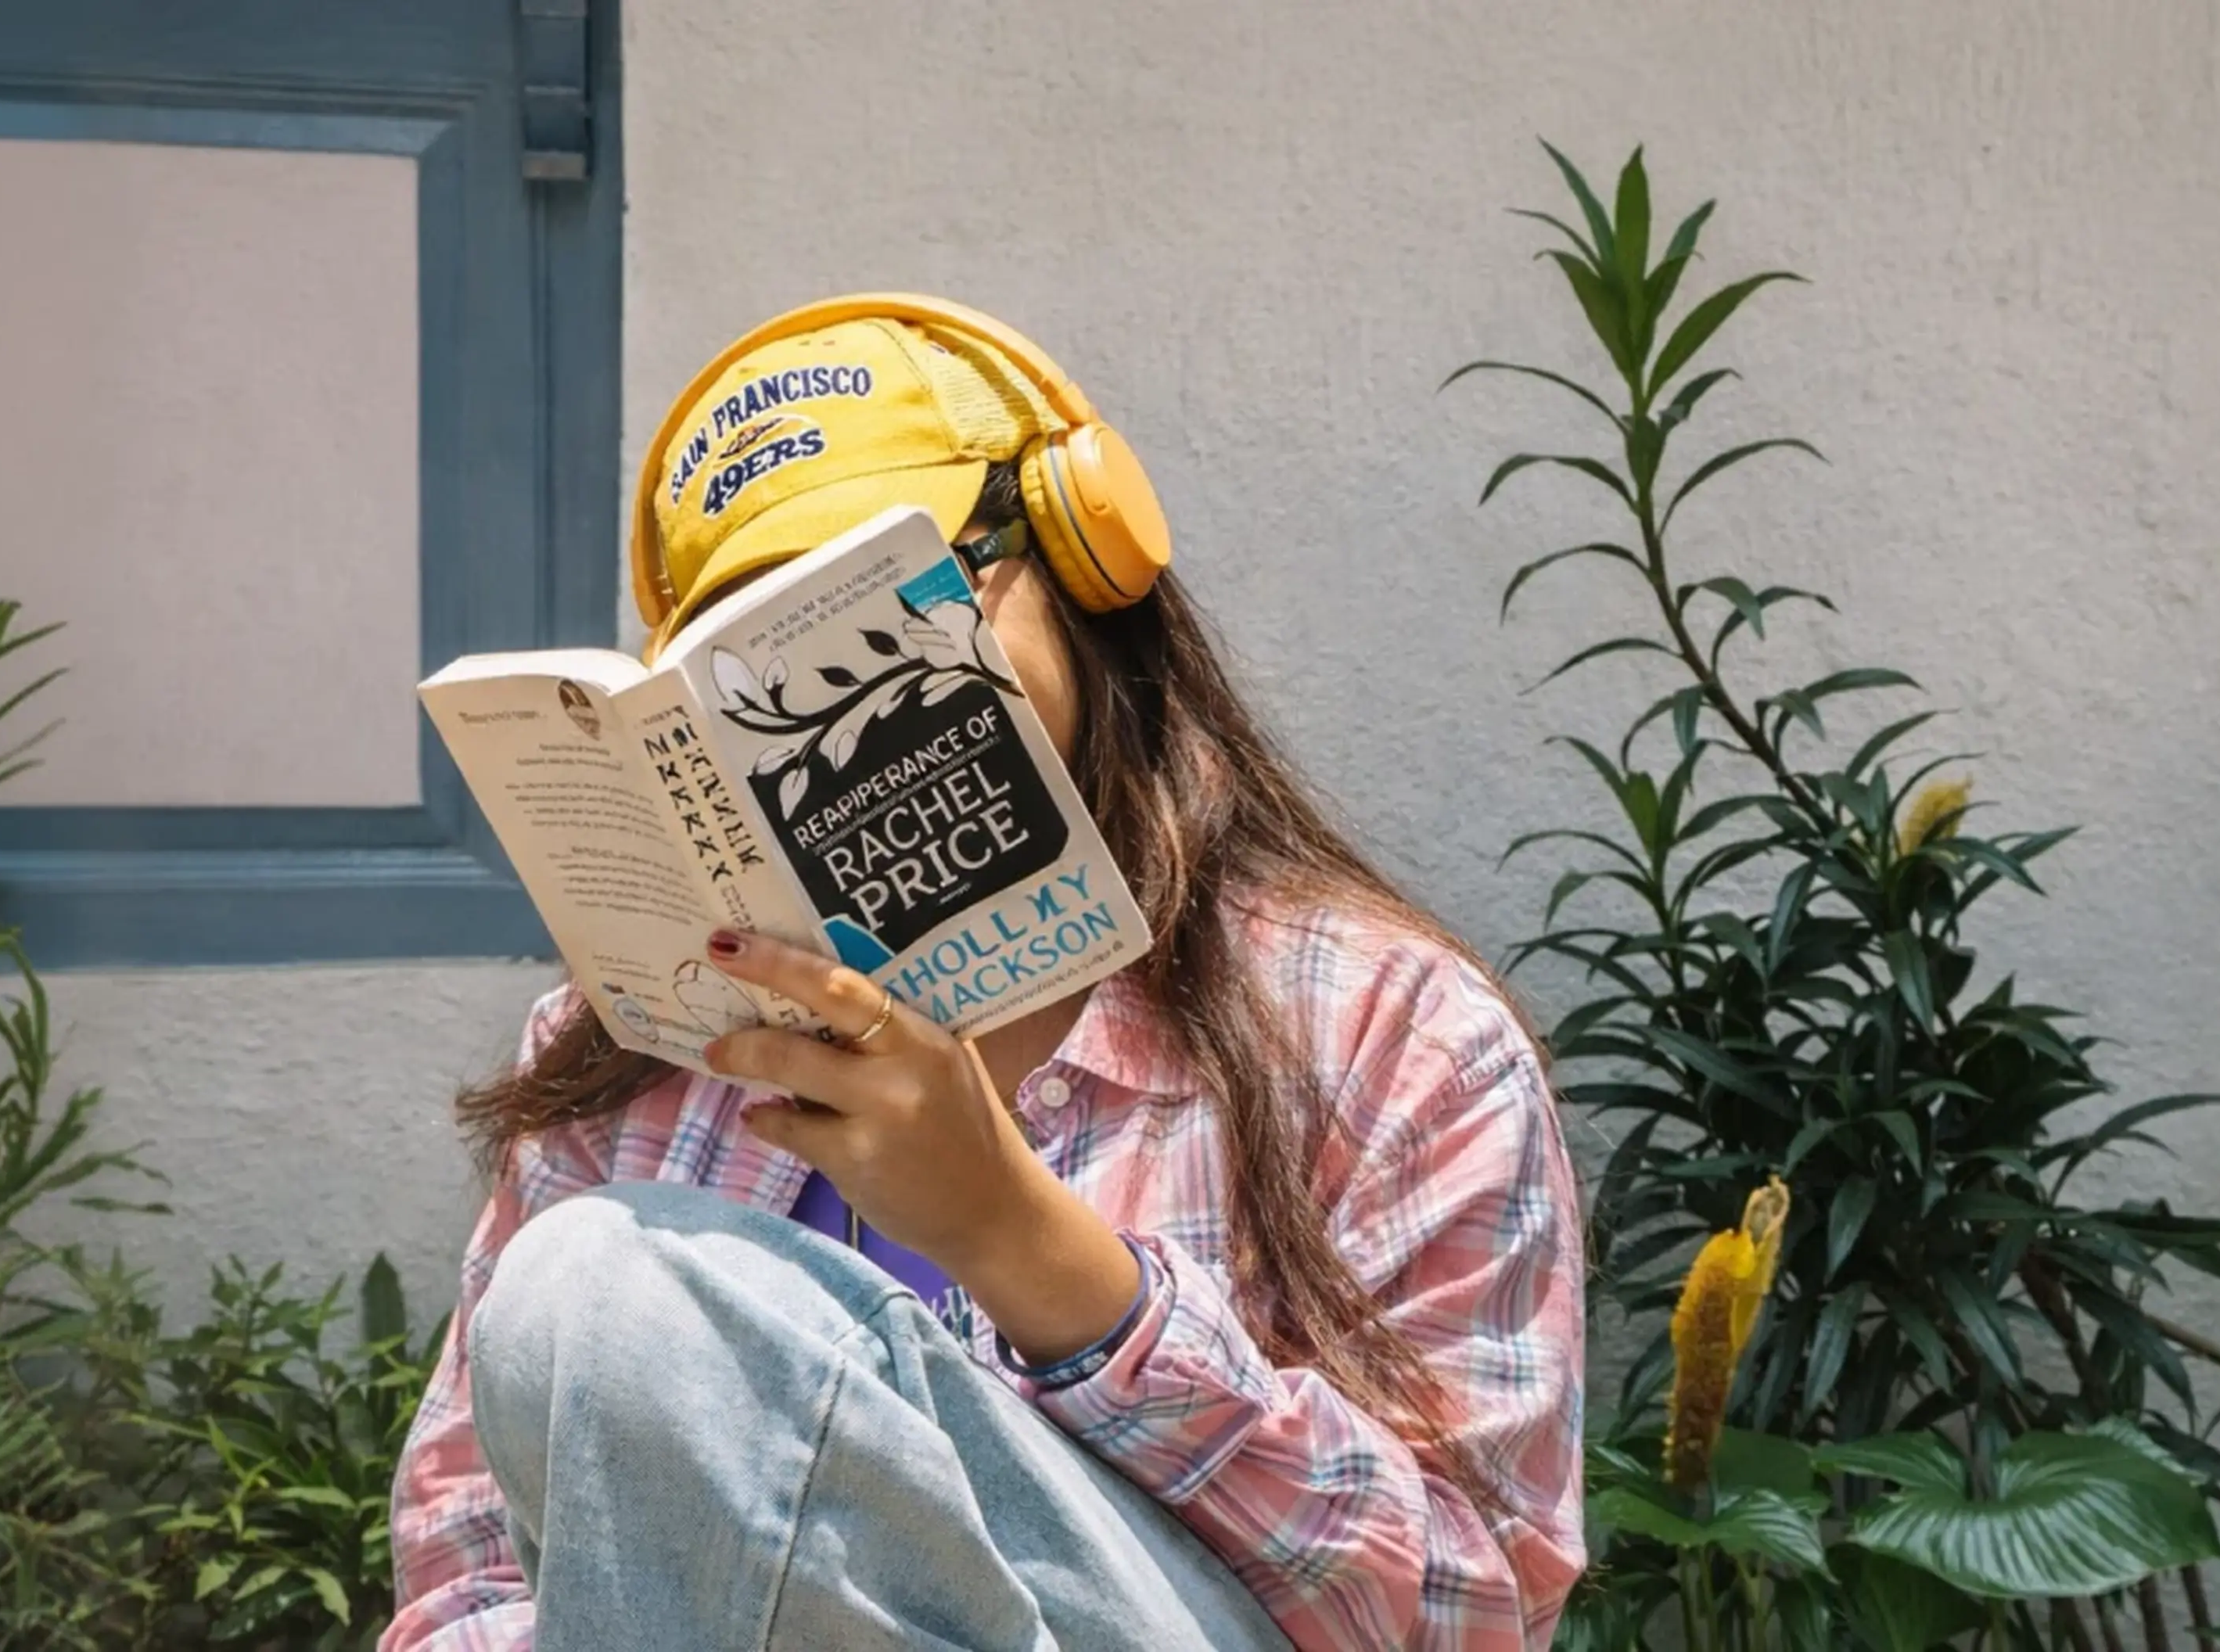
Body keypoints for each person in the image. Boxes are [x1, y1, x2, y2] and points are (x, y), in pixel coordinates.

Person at [384, 295, 1585, 1651]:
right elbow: (470, 1581)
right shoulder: (635, 1059)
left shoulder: (1386, 1032)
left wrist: (1022, 1244)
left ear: (1086, 559)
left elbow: (1471, 1611)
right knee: (595, 1284)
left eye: (893, 585)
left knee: (617, 1288)